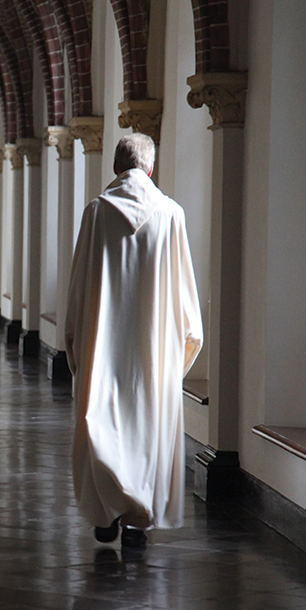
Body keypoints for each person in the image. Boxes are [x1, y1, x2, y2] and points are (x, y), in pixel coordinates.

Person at [64, 133, 203, 549]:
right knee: (146, 427)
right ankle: (139, 518)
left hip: (102, 344)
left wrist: (75, 343)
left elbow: (79, 287)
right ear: (150, 168)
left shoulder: (95, 212)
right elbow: (185, 298)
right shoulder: (172, 214)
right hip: (153, 350)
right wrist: (182, 352)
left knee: (101, 424)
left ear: (114, 167)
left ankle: (106, 512)